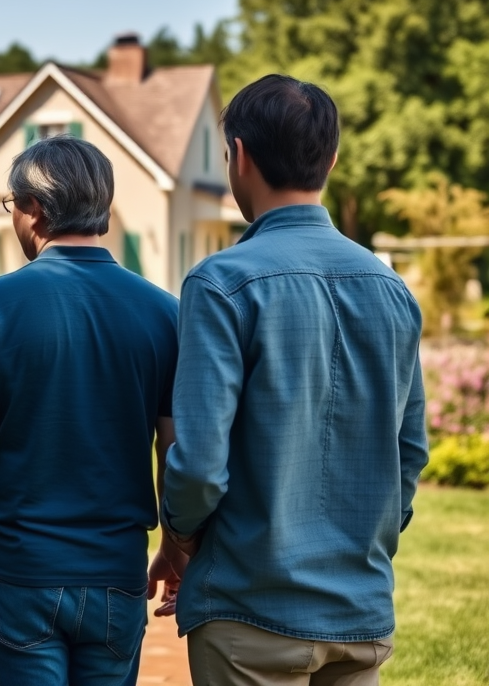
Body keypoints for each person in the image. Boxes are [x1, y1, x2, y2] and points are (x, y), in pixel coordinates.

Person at [156, 74, 429, 685]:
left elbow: (199, 464)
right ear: (331, 159)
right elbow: (410, 454)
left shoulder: (220, 284)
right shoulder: (393, 292)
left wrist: (178, 538)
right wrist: (364, 541)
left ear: (239, 155)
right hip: (361, 613)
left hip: (250, 610)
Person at [0, 136, 180, 685]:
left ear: (36, 211)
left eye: (12, 206)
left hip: (21, 570)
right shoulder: (165, 312)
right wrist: (173, 545)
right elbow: (176, 450)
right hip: (116, 571)